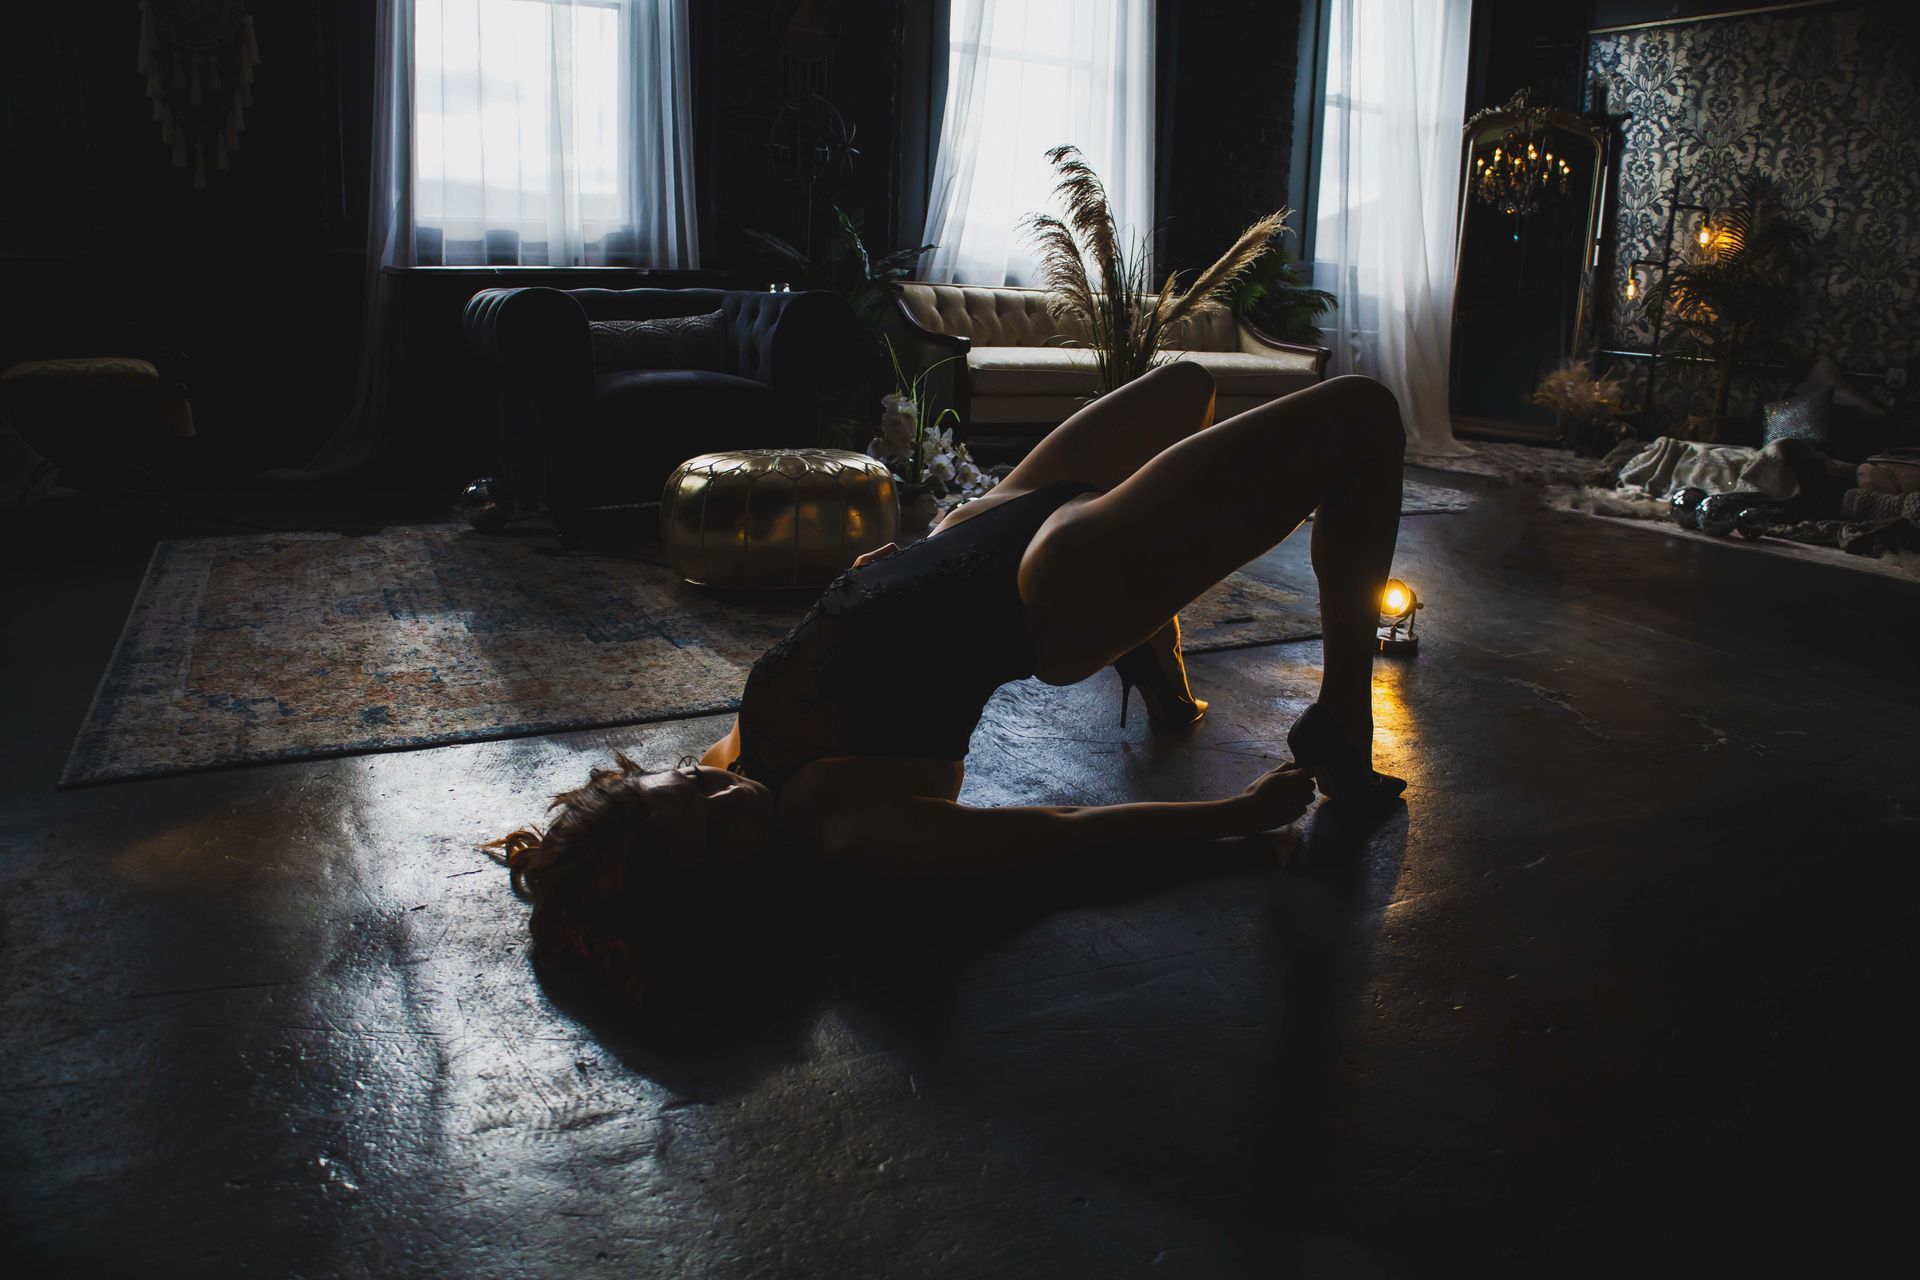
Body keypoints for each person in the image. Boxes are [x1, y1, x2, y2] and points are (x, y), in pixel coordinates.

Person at [490, 364, 1409, 993]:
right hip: (1053, 586)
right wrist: (1235, 818)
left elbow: (834, 653)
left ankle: (1152, 651)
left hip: (976, 525)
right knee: (1364, 416)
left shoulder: (720, 778)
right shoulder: (852, 832)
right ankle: (1340, 713)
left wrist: (876, 577)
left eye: (689, 783)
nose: (721, 787)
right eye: (719, 826)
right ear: (726, 888)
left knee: (1185, 389)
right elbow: (1060, 836)